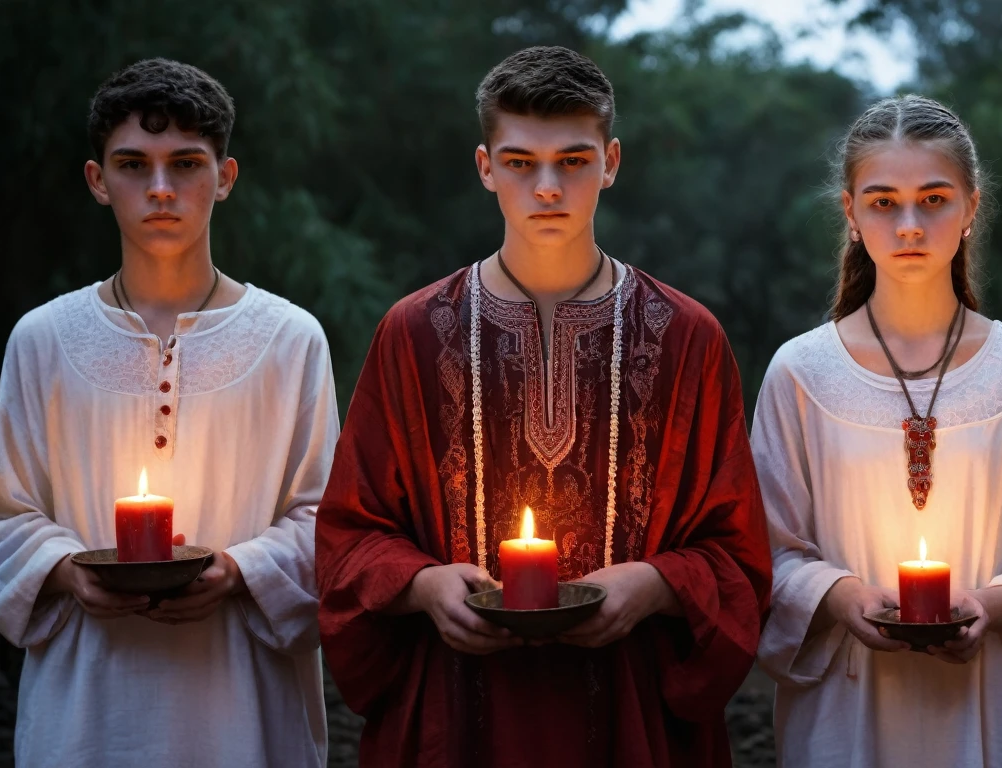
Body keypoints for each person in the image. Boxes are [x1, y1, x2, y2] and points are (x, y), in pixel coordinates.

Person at [315, 45, 771, 767]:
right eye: (522, 162)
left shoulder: (688, 338)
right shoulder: (410, 333)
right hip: (457, 707)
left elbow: (739, 552)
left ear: (612, 161)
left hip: (633, 711)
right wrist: (426, 585)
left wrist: (653, 585)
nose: (549, 186)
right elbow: (349, 533)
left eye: (574, 160)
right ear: (486, 166)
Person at [0, 58, 337, 766]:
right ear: (98, 180)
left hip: (243, 709)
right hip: (86, 712)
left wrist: (237, 570)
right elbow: (6, 514)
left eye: (186, 163)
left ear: (226, 177)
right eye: (132, 164)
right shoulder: (43, 339)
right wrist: (66, 569)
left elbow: (327, 522)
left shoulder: (289, 338)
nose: (159, 189)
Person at [753, 95, 1002, 766]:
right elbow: (768, 554)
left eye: (934, 199)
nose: (909, 224)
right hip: (847, 719)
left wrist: (990, 605)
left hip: (990, 713)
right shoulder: (800, 372)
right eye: (883, 203)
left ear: (970, 208)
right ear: (851, 214)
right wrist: (844, 596)